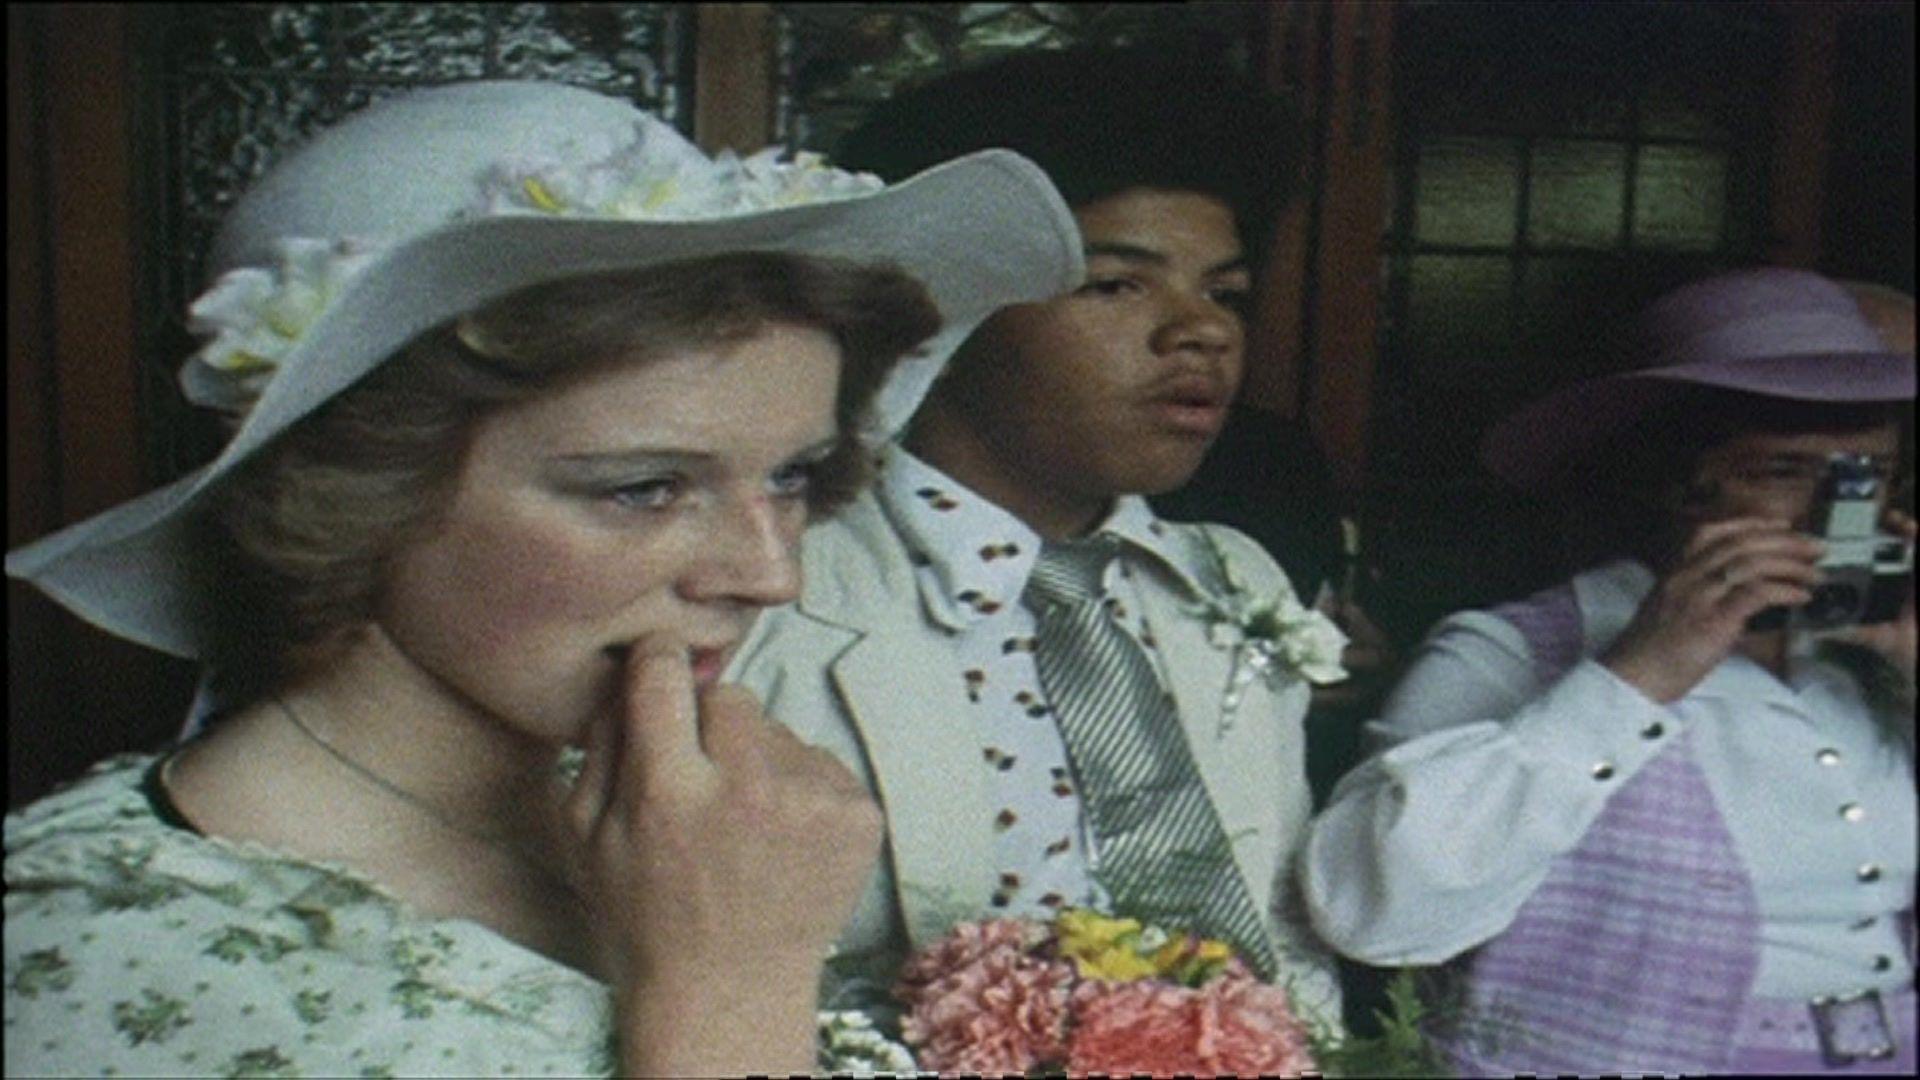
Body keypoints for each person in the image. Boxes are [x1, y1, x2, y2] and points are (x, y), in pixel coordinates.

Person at [3, 81, 1082, 1077]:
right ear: (360, 493)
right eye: (644, 488)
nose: (771, 573)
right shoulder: (100, 941)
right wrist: (728, 989)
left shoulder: (661, 840)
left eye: (794, 477)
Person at [728, 44, 1347, 1030]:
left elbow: (1275, 917)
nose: (1203, 334)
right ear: (939, 315)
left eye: (1225, 294)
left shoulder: (1233, 579)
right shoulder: (765, 585)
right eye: (1115, 285)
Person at [1300, 267, 1917, 1076]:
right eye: (1786, 472)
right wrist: (1637, 674)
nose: (1837, 517)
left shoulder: (1865, 665)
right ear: (1670, 481)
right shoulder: (1510, 651)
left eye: (1865, 476)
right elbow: (1370, 911)